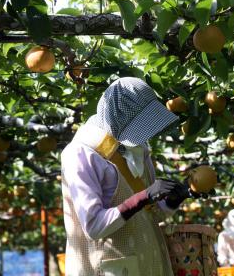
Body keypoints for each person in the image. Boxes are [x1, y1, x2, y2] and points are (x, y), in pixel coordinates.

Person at [61, 77, 193, 275]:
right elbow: (94, 226)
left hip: (149, 262)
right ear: (119, 116)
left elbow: (150, 215)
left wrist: (172, 201)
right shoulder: (82, 154)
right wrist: (142, 198)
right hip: (110, 266)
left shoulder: (136, 150)